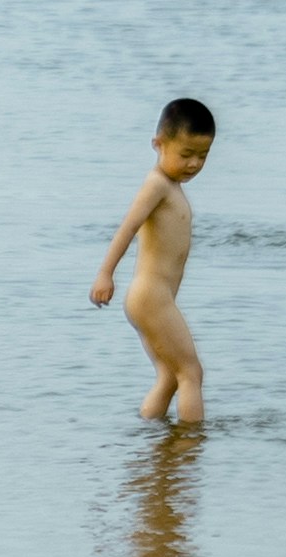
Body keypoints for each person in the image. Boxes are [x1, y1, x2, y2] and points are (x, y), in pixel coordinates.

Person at [86, 92, 213, 424]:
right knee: (191, 373)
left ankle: (152, 436)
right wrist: (105, 274)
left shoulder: (172, 187)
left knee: (171, 377)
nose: (194, 164)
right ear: (158, 144)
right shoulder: (156, 184)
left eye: (203, 156)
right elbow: (127, 228)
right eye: (186, 154)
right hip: (150, 296)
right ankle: (189, 442)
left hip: (154, 297)